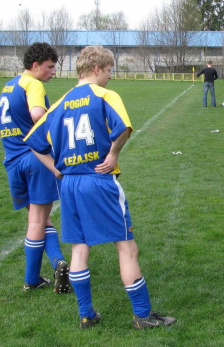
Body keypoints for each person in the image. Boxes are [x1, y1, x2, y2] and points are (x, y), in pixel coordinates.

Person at [24, 45, 176, 329]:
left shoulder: (59, 103)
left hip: (69, 184)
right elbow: (124, 128)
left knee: (79, 248)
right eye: (108, 71)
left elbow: (33, 142)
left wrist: (56, 169)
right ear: (96, 69)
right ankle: (142, 315)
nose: (110, 77)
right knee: (127, 247)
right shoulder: (105, 95)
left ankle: (86, 314)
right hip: (99, 180)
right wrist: (114, 154)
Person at [0, 42, 71, 293]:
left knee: (40, 218)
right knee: (37, 219)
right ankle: (33, 277)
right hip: (34, 159)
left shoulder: (9, 86)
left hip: (12, 160)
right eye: (50, 67)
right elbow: (38, 114)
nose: (53, 72)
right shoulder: (33, 84)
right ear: (35, 65)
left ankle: (56, 263)